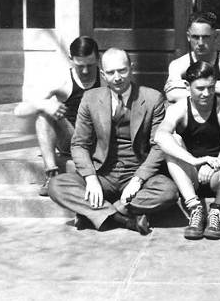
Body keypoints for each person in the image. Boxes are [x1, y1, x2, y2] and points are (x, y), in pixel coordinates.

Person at [48, 48, 179, 234]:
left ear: (131, 69)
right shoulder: (90, 98)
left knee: (168, 192)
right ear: (103, 74)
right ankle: (125, 219)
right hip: (102, 174)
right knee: (56, 186)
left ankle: (97, 213)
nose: (117, 77)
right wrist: (91, 178)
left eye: (122, 70)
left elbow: (159, 145)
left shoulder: (151, 98)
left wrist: (138, 179)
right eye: (110, 72)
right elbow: (79, 144)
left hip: (136, 173)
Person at [155, 61, 220, 240]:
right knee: (173, 140)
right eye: (200, 88)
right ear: (187, 86)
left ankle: (217, 210)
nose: (206, 94)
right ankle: (195, 208)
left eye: (211, 88)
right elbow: (160, 137)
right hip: (190, 176)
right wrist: (194, 160)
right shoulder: (178, 109)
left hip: (219, 177)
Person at [14, 36, 101, 196]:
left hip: (99, 141)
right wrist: (45, 104)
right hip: (71, 137)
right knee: (43, 115)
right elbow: (19, 111)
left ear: (98, 59)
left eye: (90, 65)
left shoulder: (106, 79)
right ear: (71, 59)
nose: (86, 71)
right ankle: (51, 174)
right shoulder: (63, 81)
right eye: (80, 66)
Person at [164, 11, 220, 103]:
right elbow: (172, 94)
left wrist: (188, 85)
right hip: (192, 115)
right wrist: (219, 91)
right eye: (195, 37)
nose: (200, 43)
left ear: (215, 36)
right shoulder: (178, 64)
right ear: (188, 36)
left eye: (205, 37)